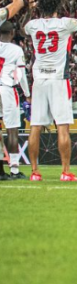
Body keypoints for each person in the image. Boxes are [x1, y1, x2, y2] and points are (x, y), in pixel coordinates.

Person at [23, 0, 77, 182]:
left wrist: (30, 7)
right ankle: (65, 171)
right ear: (58, 6)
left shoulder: (33, 25)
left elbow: (23, 27)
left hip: (39, 80)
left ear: (40, 8)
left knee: (36, 126)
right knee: (63, 127)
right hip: (58, 79)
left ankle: (34, 172)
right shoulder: (64, 23)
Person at [0, 21, 30, 180]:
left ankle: (0, 170)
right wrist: (27, 94)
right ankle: (14, 169)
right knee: (12, 130)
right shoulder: (16, 50)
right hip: (7, 89)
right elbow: (21, 75)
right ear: (12, 33)